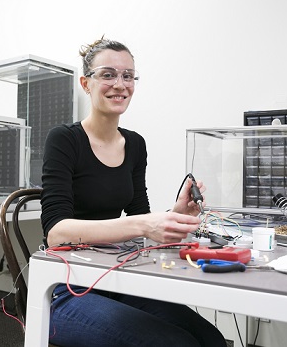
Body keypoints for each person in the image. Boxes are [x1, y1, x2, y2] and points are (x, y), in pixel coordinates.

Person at [40, 37, 227, 347]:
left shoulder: (136, 144)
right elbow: (56, 233)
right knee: (178, 344)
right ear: (86, 83)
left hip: (114, 278)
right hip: (65, 287)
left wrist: (174, 215)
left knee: (211, 339)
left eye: (128, 76)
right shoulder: (64, 139)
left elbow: (141, 218)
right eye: (108, 74)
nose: (120, 84)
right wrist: (144, 224)